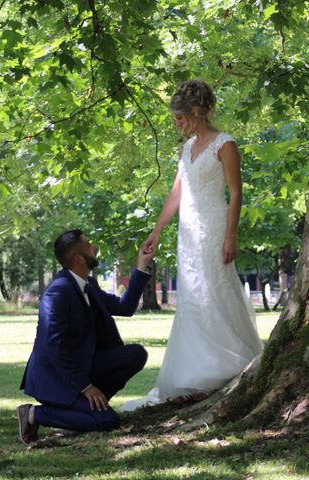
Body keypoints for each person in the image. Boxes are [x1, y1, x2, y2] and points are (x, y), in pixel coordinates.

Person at [122, 79, 263, 410]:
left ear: (197, 112)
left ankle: (225, 367)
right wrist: (156, 232)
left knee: (215, 291)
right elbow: (176, 193)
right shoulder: (187, 149)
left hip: (214, 227)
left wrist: (231, 235)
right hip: (188, 233)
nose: (178, 125)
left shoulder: (224, 144)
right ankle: (195, 374)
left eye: (181, 118)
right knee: (193, 296)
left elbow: (236, 192)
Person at [17, 229, 154, 443]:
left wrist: (141, 265)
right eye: (89, 245)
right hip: (55, 378)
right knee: (107, 421)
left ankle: (88, 409)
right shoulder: (58, 292)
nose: (94, 247)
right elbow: (54, 346)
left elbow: (125, 307)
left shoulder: (88, 285)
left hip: (83, 365)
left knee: (135, 354)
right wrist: (85, 386)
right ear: (79, 258)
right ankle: (34, 414)